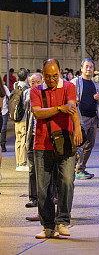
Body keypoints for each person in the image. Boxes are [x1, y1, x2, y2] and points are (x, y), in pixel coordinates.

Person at [30, 59, 82, 239]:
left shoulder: (68, 87)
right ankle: (48, 226)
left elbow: (72, 108)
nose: (51, 80)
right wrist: (60, 108)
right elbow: (37, 112)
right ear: (42, 74)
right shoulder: (35, 90)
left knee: (67, 182)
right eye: (47, 76)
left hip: (66, 143)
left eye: (55, 76)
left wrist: (77, 129)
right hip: (42, 144)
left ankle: (63, 221)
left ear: (59, 72)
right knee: (43, 189)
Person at [71, 59, 99, 180]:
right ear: (81, 69)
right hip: (80, 118)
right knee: (79, 144)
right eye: (87, 67)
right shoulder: (75, 82)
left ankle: (81, 168)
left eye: (91, 67)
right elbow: (68, 97)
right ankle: (73, 169)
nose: (89, 69)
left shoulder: (95, 84)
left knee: (90, 144)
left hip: (93, 118)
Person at [25, 72, 43, 211]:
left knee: (46, 170)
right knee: (32, 170)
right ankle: (33, 197)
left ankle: (49, 197)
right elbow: (27, 120)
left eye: (37, 82)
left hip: (44, 139)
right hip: (32, 137)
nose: (35, 85)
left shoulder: (46, 96)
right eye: (32, 82)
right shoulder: (28, 97)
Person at [13, 69, 30, 171]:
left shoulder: (15, 88)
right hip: (24, 118)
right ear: (27, 77)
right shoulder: (26, 89)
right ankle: (22, 163)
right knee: (23, 140)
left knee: (17, 140)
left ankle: (18, 162)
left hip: (16, 118)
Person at [1, 76, 11, 152]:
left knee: (3, 129)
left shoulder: (4, 87)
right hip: (3, 111)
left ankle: (3, 144)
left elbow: (10, 96)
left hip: (3, 111)